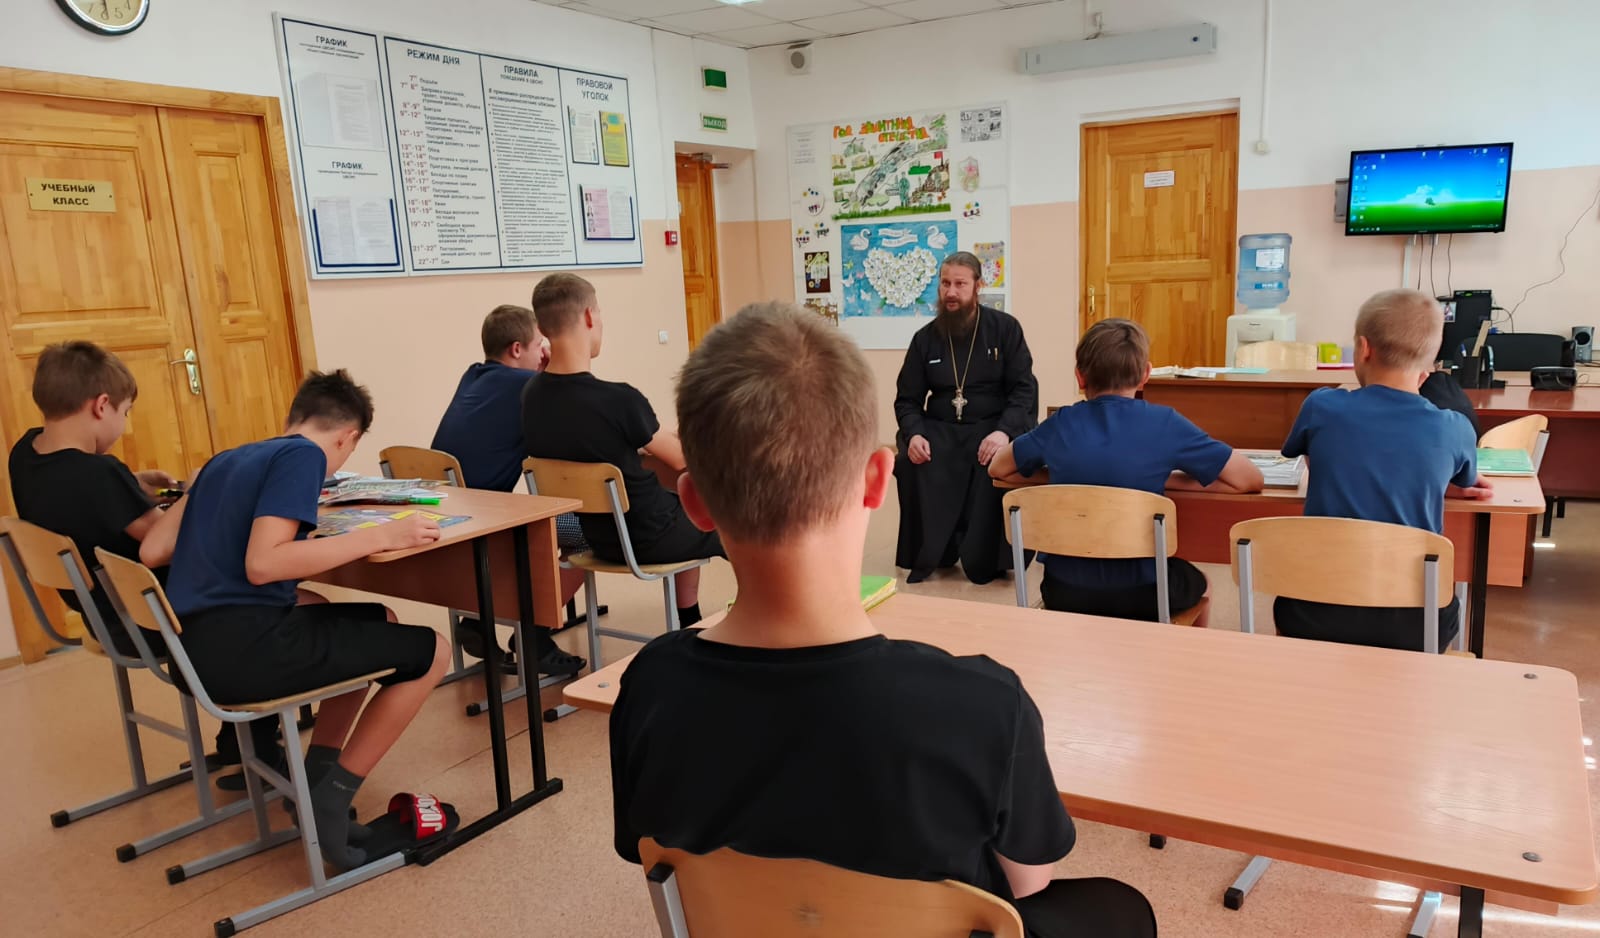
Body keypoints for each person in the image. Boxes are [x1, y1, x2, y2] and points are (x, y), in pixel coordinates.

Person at [609, 302, 1157, 938]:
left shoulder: (648, 684)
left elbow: (645, 850)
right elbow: (1029, 881)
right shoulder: (983, 705)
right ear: (877, 479)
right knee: (1121, 910)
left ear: (694, 504)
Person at [141, 370, 453, 870]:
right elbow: (263, 564)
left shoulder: (226, 459)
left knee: (381, 620)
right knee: (434, 649)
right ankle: (332, 799)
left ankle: (314, 780)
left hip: (190, 651)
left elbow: (153, 550)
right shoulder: (304, 457)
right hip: (243, 654)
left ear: (294, 417)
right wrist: (382, 536)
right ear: (347, 437)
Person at [7, 341, 283, 774]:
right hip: (149, 618)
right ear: (101, 405)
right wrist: (197, 490)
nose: (124, 423)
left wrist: (131, 485)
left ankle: (240, 741)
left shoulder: (25, 454)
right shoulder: (99, 474)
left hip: (101, 613)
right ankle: (257, 746)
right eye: (125, 412)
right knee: (262, 594)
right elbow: (169, 541)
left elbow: (73, 492)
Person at [989, 319, 1263, 624]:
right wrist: (1171, 480)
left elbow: (999, 468)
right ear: (1145, 374)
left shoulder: (1059, 425)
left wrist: (1056, 476)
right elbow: (1249, 480)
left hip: (1063, 589)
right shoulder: (1165, 423)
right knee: (1204, 584)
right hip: (1144, 590)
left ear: (1079, 376)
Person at [1275, 289, 1492, 651]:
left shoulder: (1321, 406)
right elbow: (1466, 482)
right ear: (1429, 364)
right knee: (1448, 599)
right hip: (1415, 620)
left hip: (1315, 610)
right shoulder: (1454, 427)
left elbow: (1312, 460)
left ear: (1363, 348)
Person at [522, 273, 723, 627]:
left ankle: (690, 621)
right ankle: (746, 622)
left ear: (541, 327)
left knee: (678, 504)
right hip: (650, 535)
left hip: (598, 537)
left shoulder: (530, 397)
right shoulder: (620, 400)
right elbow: (681, 459)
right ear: (589, 316)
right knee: (730, 520)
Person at [430, 303, 586, 678]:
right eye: (539, 345)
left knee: (545, 522)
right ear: (517, 349)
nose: (544, 353)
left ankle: (476, 621)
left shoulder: (472, 376)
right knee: (592, 533)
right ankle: (535, 635)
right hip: (486, 521)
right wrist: (553, 369)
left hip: (450, 513)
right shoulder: (527, 387)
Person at [894, 251, 1037, 584]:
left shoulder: (1005, 329)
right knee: (910, 460)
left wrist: (1004, 432)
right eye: (945, 283)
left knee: (996, 459)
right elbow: (907, 399)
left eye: (960, 284)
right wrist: (915, 434)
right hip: (940, 427)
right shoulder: (925, 338)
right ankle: (934, 552)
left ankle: (987, 559)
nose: (951, 292)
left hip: (992, 426)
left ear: (978, 286)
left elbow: (1023, 390)